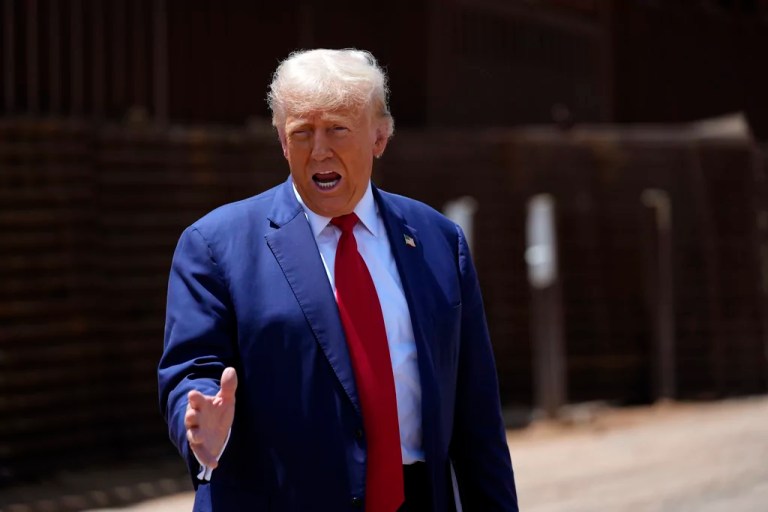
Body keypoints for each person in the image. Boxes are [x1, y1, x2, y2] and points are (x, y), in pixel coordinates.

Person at [158, 48, 518, 511]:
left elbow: (477, 414)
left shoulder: (437, 240)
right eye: (302, 133)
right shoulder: (215, 245)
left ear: (379, 137)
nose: (319, 150)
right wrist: (201, 428)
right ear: (283, 143)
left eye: (337, 130)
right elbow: (193, 371)